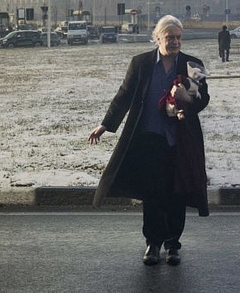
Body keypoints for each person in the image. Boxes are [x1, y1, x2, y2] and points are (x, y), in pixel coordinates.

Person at [89, 15, 210, 267]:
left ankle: (173, 244)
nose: (175, 42)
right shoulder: (141, 64)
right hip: (148, 139)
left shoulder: (192, 65)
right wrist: (105, 125)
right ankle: (153, 244)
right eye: (169, 38)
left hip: (179, 140)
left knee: (177, 193)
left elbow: (203, 100)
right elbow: (123, 96)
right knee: (153, 194)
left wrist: (186, 98)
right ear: (158, 38)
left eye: (178, 37)